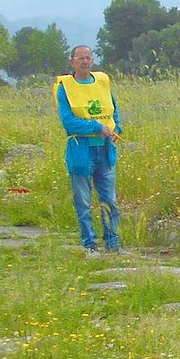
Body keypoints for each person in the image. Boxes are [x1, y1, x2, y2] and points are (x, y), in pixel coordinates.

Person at [53, 45, 122, 253]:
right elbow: (69, 122)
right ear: (72, 61)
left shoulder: (102, 82)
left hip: (105, 150)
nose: (86, 61)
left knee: (109, 200)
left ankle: (112, 245)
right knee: (83, 202)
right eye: (81, 58)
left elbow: (113, 110)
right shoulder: (65, 87)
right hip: (81, 150)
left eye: (89, 58)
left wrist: (115, 128)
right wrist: (97, 127)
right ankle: (90, 245)